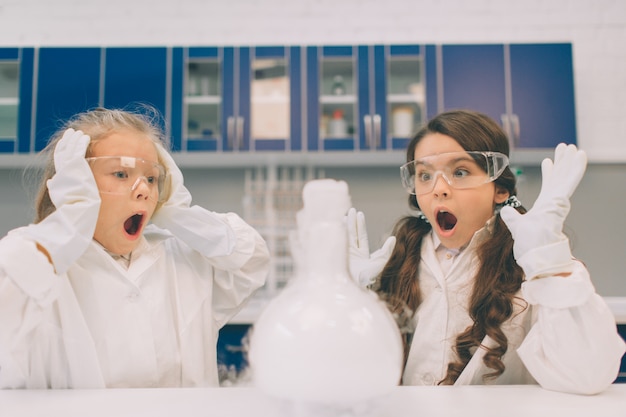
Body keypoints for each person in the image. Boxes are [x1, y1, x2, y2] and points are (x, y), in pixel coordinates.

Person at [348, 109, 625, 394]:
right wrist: (349, 300)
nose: (439, 189)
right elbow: (350, 376)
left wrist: (548, 260)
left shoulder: (531, 266)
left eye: (460, 171)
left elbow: (588, 376)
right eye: (424, 175)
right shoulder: (397, 263)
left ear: (500, 190)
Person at [0, 107, 270, 389]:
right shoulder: (42, 262)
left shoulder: (183, 259)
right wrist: (70, 220)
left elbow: (251, 259)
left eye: (152, 178)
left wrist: (180, 214)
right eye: (121, 173)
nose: (144, 190)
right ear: (77, 184)